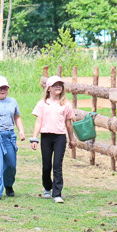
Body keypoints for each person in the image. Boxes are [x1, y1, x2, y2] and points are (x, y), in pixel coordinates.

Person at [30, 75, 76, 204]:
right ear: (49, 88)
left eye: (60, 85)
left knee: (57, 165)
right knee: (46, 166)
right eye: (55, 85)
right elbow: (38, 122)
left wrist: (72, 139)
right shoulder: (43, 104)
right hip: (46, 136)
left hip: (60, 137)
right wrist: (34, 138)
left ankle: (57, 193)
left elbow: (68, 124)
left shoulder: (65, 105)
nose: (58, 87)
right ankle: (47, 187)